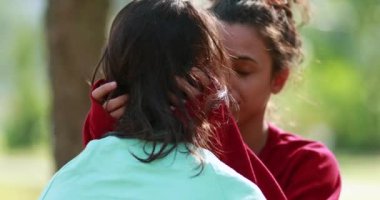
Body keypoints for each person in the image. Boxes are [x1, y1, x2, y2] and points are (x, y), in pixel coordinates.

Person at [84, 0, 342, 199]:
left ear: (279, 79)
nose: (222, 84)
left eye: (242, 70)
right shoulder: (168, 147)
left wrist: (218, 127)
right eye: (209, 66)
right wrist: (106, 133)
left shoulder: (310, 165)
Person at [39, 0, 266, 199]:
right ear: (204, 84)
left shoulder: (64, 184)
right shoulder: (233, 190)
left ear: (114, 77)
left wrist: (101, 129)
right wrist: (215, 116)